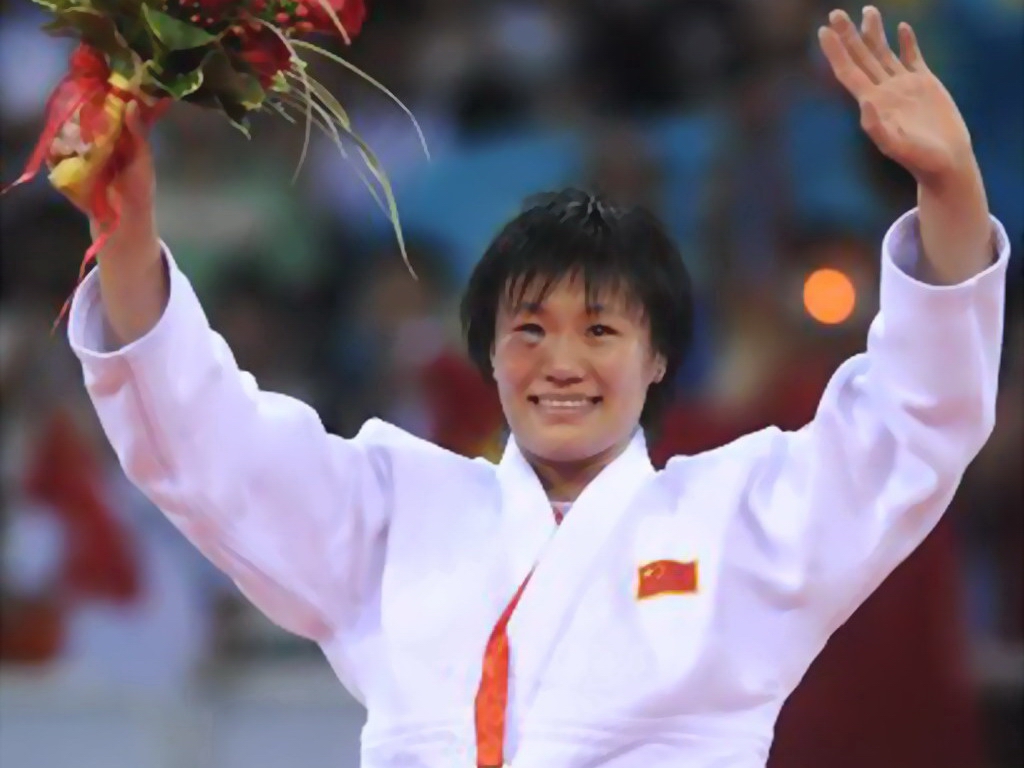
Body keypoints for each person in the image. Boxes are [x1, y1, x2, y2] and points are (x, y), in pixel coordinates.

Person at [60, 7, 1008, 768]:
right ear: (487, 354)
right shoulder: (397, 513)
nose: (561, 362)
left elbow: (913, 424)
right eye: (529, 330)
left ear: (659, 358)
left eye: (600, 330)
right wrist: (127, 232)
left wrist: (952, 188)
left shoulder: (738, 520)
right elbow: (210, 445)